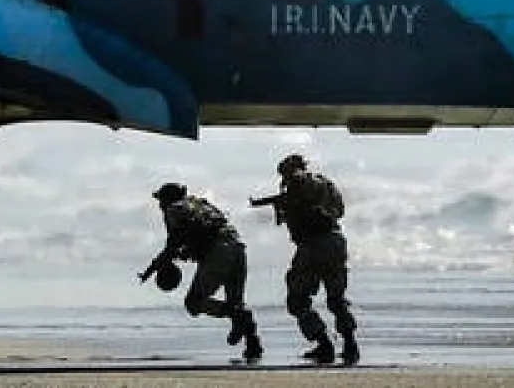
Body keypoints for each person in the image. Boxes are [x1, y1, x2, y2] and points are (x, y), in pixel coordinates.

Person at [250, 153, 356, 365]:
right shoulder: (327, 185)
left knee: (297, 300)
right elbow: (340, 211)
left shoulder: (301, 181)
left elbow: (301, 185)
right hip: (335, 241)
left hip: (313, 245)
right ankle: (350, 343)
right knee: (336, 298)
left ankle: (324, 344)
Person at [139, 182, 263, 361]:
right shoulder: (201, 204)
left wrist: (161, 263)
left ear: (168, 199)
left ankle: (240, 318)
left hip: (218, 253)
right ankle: (253, 344)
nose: (160, 206)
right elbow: (198, 233)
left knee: (194, 302)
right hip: (238, 247)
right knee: (235, 301)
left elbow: (174, 241)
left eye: (161, 200)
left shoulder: (174, 209)